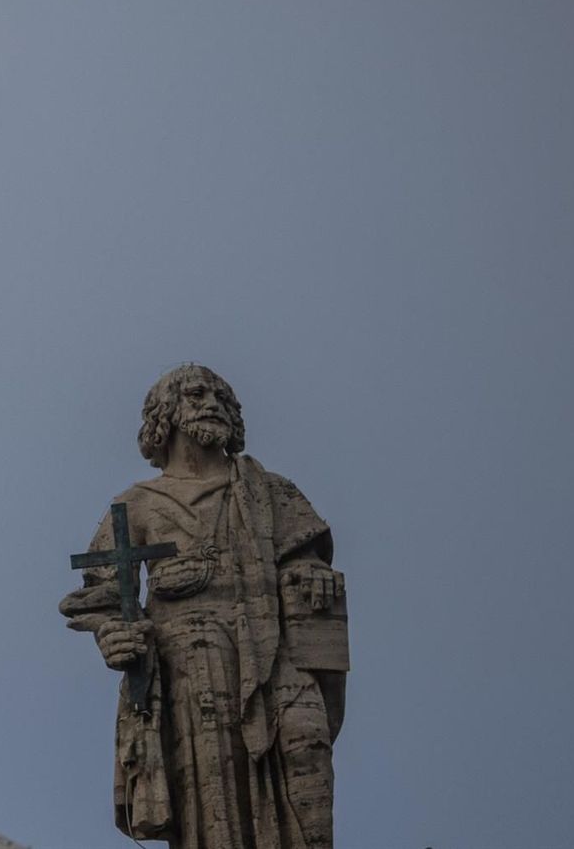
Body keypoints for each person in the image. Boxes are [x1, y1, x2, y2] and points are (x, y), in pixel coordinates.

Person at [60, 364, 348, 849]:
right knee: (215, 808)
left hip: (276, 656)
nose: (212, 402)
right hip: (195, 670)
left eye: (222, 396)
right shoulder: (138, 505)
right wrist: (113, 635)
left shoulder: (270, 490)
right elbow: (100, 597)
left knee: (307, 753)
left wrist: (309, 572)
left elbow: (303, 559)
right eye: (196, 393)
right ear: (165, 414)